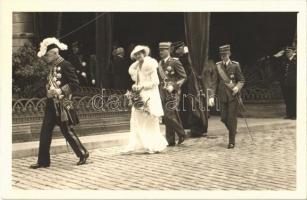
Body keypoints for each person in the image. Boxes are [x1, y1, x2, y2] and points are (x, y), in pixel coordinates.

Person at [30, 37, 89, 169]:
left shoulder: (65, 65)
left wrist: (59, 91)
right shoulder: (51, 66)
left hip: (63, 104)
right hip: (51, 105)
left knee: (67, 131)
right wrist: (48, 92)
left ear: (55, 53)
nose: (46, 57)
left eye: (48, 55)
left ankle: (83, 154)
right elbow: (49, 83)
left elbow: (75, 84)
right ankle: (43, 161)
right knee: (45, 132)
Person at [123, 45, 167, 154]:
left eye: (140, 53)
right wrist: (135, 86)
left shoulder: (150, 65)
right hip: (139, 95)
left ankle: (153, 145)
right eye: (136, 54)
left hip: (149, 95)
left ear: (144, 53)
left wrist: (143, 86)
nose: (138, 56)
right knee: (135, 120)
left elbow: (155, 82)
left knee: (149, 120)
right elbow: (138, 80)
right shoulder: (137, 67)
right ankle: (138, 144)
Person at [211, 44, 245, 149]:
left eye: (225, 54)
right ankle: (233, 130)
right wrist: (211, 96)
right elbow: (214, 82)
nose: (223, 57)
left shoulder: (235, 65)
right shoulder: (218, 66)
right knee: (223, 118)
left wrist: (237, 87)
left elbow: (241, 80)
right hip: (222, 96)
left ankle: (231, 141)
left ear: (229, 54)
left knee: (231, 118)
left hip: (232, 96)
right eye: (221, 55)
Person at [157, 42, 187, 146]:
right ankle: (170, 141)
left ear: (169, 50)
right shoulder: (159, 64)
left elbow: (183, 76)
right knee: (168, 116)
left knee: (168, 115)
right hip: (163, 93)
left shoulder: (175, 62)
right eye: (160, 50)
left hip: (174, 93)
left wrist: (173, 86)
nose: (161, 52)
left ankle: (182, 133)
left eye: (163, 50)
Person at [277, 46, 297, 119]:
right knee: (287, 99)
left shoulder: (296, 60)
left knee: (294, 99)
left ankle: (295, 115)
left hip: (294, 83)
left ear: (294, 52)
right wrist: (278, 56)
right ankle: (289, 114)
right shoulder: (284, 61)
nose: (287, 53)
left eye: (289, 52)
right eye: (286, 52)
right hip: (285, 83)